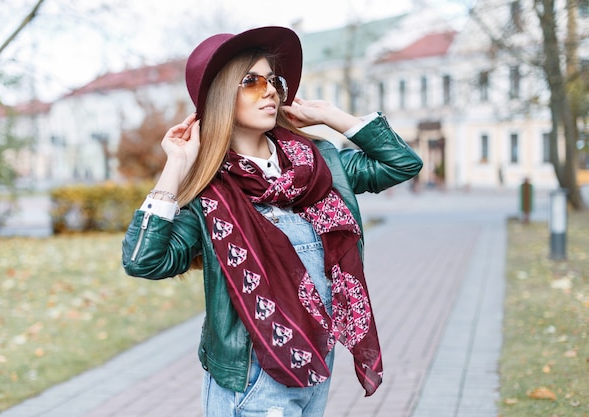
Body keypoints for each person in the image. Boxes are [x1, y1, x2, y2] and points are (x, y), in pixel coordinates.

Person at [122, 26, 423, 417]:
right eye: (251, 81)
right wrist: (176, 166)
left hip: (316, 362)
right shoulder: (209, 194)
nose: (269, 91)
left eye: (272, 80)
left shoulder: (318, 165)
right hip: (251, 378)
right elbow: (143, 259)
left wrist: (330, 117)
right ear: (220, 96)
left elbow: (401, 163)